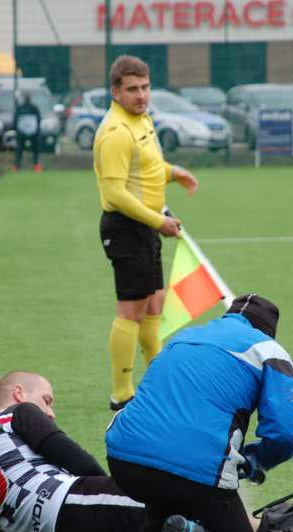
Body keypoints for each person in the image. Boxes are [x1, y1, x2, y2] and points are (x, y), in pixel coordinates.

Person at [106, 294, 293, 532]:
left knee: (161, 491)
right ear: (269, 331)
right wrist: (256, 460)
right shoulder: (268, 350)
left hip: (124, 461)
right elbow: (286, 433)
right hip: (195, 473)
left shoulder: (183, 337)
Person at [93, 55, 199, 411]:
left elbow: (148, 168)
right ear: (116, 92)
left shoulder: (142, 120)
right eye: (132, 89)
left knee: (154, 305)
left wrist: (174, 172)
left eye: (145, 87)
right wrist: (159, 222)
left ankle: (157, 379)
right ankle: (121, 393)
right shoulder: (115, 132)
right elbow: (115, 195)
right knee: (131, 311)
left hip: (147, 224)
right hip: (127, 228)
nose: (141, 95)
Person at [0, 371, 147, 532]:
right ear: (19, 394)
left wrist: (28, 527)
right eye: (47, 400)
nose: (51, 413)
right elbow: (78, 461)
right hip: (72, 504)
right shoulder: (18, 412)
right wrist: (113, 486)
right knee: (164, 498)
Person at [14, 93, 42, 172]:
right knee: (19, 149)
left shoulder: (34, 108)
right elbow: (16, 121)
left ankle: (36, 165)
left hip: (33, 133)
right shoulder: (20, 108)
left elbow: (38, 120)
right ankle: (17, 166)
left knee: (35, 148)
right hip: (22, 132)